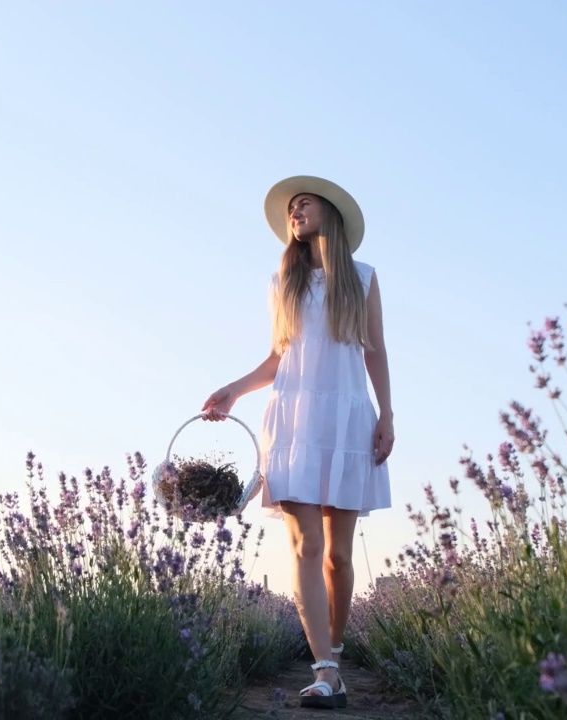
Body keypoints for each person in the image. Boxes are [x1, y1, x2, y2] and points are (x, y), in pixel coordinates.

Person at [200, 175, 393, 709]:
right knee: (306, 544)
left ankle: (336, 657)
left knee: (337, 556)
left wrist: (388, 415)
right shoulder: (282, 281)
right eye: (290, 208)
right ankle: (325, 671)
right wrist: (233, 390)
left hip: (348, 416)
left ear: (328, 213)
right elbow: (278, 357)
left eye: (303, 203)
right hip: (295, 418)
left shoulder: (362, 277)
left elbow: (375, 350)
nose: (294, 212)